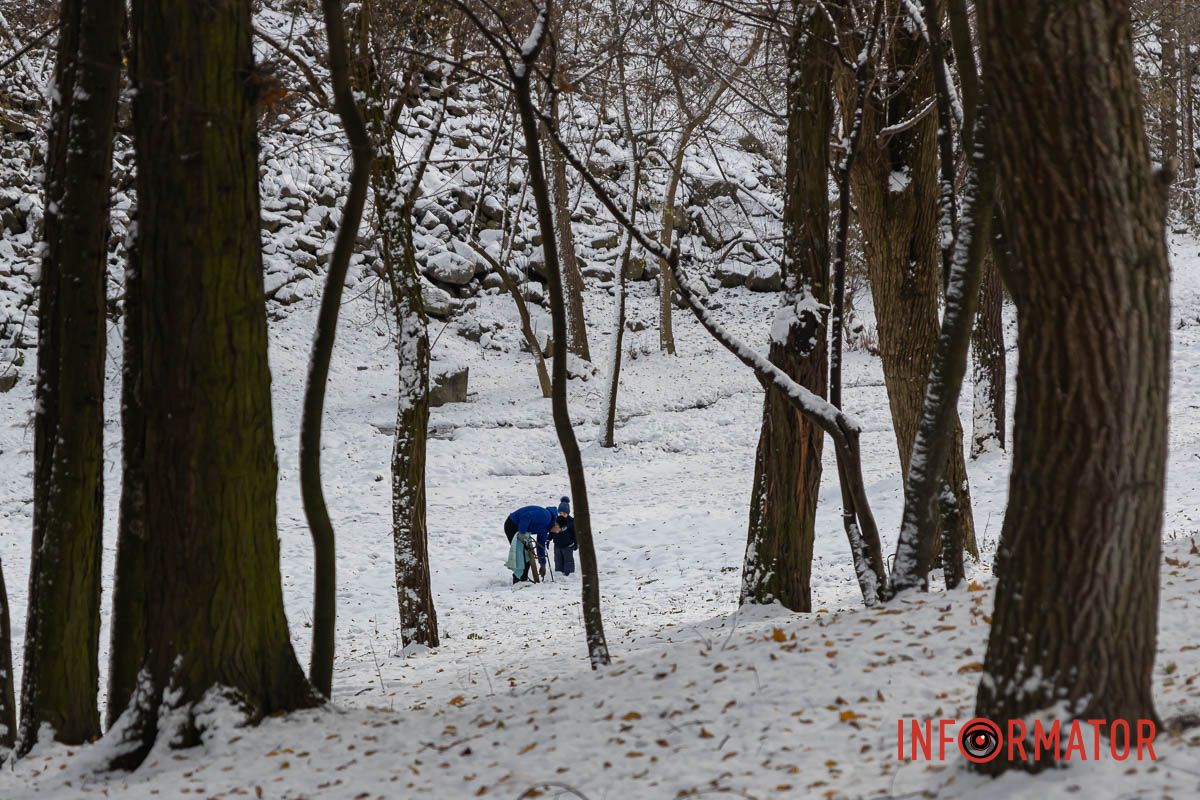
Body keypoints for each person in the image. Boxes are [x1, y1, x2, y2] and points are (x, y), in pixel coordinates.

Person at [504, 504, 559, 583]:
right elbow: (527, 516)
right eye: (559, 530)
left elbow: (540, 546)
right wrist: (522, 532)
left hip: (521, 530)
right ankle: (518, 580)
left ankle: (523, 579)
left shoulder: (545, 530)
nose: (557, 532)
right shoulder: (546, 516)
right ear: (557, 524)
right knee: (522, 555)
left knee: (528, 556)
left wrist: (542, 564)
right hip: (512, 524)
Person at [548, 496, 576, 576]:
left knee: (568, 560)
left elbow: (575, 533)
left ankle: (569, 573)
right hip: (557, 545)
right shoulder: (556, 520)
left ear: (568, 513)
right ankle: (559, 573)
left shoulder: (571, 522)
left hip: (568, 545)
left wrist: (576, 543)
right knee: (558, 559)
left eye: (564, 513)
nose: (562, 515)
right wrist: (548, 539)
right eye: (560, 513)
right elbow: (552, 531)